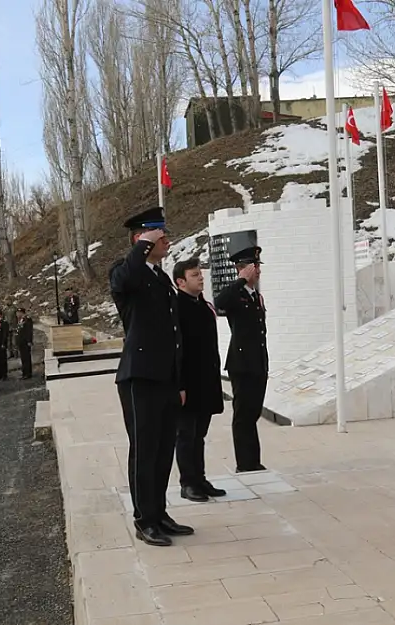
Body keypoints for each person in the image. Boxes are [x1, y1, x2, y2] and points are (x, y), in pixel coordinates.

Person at [110, 206, 193, 547]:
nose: (166, 239)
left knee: (163, 450)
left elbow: (173, 335)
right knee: (144, 450)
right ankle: (144, 519)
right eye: (159, 234)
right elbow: (126, 279)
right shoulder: (125, 272)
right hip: (139, 377)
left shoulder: (160, 277)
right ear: (142, 237)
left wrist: (180, 382)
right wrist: (142, 245)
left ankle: (159, 513)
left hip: (165, 379)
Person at [172, 257, 227, 502]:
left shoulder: (203, 305)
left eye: (200, 273)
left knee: (199, 435)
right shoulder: (177, 307)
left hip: (206, 380)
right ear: (181, 282)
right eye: (194, 275)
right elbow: (176, 350)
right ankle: (188, 483)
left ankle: (200, 478)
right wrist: (179, 385)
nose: (201, 277)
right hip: (188, 383)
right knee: (186, 435)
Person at [215, 246, 269, 473]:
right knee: (243, 415)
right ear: (243, 269)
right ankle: (245, 464)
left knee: (253, 413)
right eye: (254, 267)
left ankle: (253, 461)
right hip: (242, 364)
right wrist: (239, 281)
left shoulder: (256, 296)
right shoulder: (235, 294)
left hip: (258, 363)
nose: (258, 272)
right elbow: (220, 302)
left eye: (257, 267)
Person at [15, 307, 35, 379]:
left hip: (25, 342)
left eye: (18, 313)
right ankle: (24, 372)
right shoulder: (20, 320)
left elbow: (29, 331)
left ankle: (28, 373)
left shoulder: (27, 319)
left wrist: (29, 341)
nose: (17, 314)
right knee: (23, 358)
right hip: (21, 342)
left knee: (26, 358)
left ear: (21, 313)